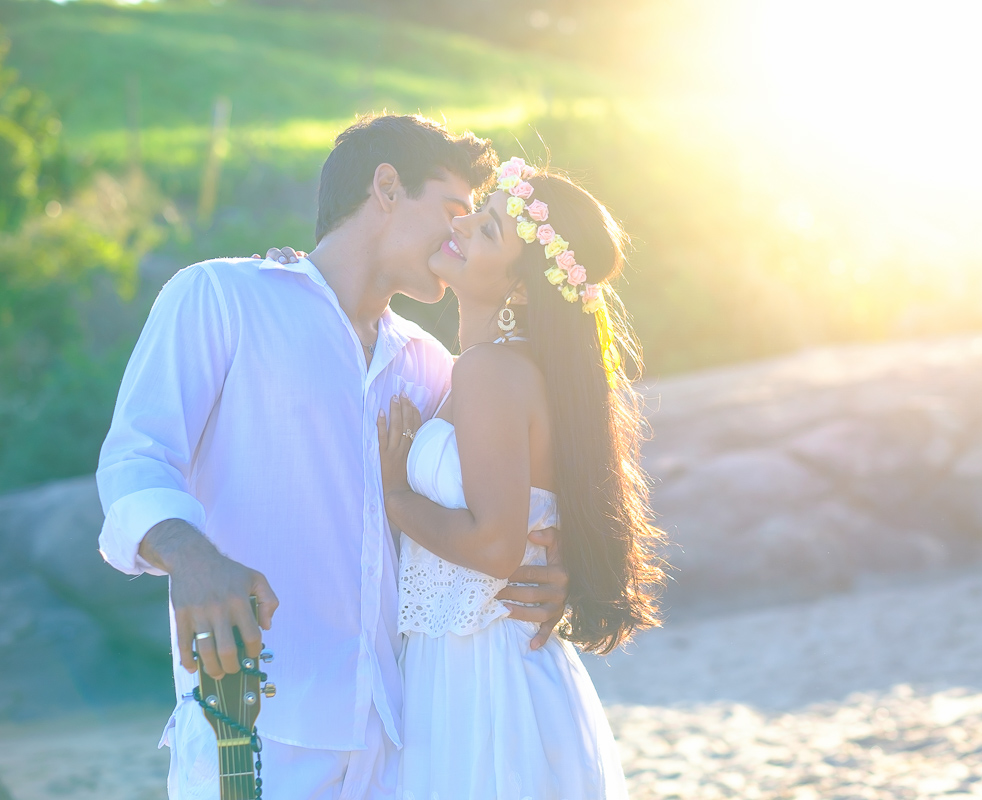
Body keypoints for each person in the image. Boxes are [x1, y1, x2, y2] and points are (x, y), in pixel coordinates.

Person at [95, 116, 569, 800]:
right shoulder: (220, 298)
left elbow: (489, 504)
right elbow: (136, 459)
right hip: (255, 726)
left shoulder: (431, 365)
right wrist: (191, 557)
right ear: (385, 187)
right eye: (453, 209)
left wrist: (554, 569)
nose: (460, 233)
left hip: (404, 739)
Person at [375, 157, 667, 799]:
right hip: (469, 663)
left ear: (520, 290)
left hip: (483, 677)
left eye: (488, 231)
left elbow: (495, 546)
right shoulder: (485, 370)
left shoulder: (492, 372)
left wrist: (395, 494)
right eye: (482, 211)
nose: (465, 220)